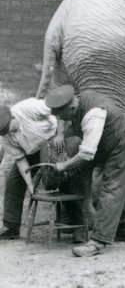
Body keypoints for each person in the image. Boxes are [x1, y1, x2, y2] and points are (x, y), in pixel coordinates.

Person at [45, 85, 125, 257]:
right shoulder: (77, 101)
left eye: (62, 115)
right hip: (109, 144)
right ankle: (124, 229)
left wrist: (64, 165)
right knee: (122, 186)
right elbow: (66, 122)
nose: (62, 119)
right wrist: (59, 136)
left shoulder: (93, 114)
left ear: (71, 108)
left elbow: (87, 153)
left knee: (112, 188)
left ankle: (98, 241)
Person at [0, 97, 66, 240]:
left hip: (55, 140)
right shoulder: (5, 137)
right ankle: (11, 227)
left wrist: (60, 133)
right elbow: (20, 159)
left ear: (12, 116)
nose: (10, 134)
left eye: (9, 129)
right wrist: (30, 185)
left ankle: (74, 220)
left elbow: (58, 109)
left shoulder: (27, 108)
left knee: (65, 175)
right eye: (5, 133)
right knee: (13, 181)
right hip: (33, 151)